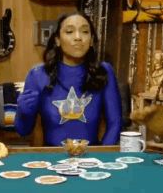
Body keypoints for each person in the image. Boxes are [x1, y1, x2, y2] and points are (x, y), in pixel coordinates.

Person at [14, 11, 122, 146]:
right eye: (69, 32)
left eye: (85, 32)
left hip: (92, 157)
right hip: (52, 156)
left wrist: (101, 157)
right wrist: (23, 112)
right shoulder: (37, 74)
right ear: (57, 40)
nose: (78, 37)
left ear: (91, 40)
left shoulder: (104, 71)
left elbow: (115, 124)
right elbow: (22, 130)